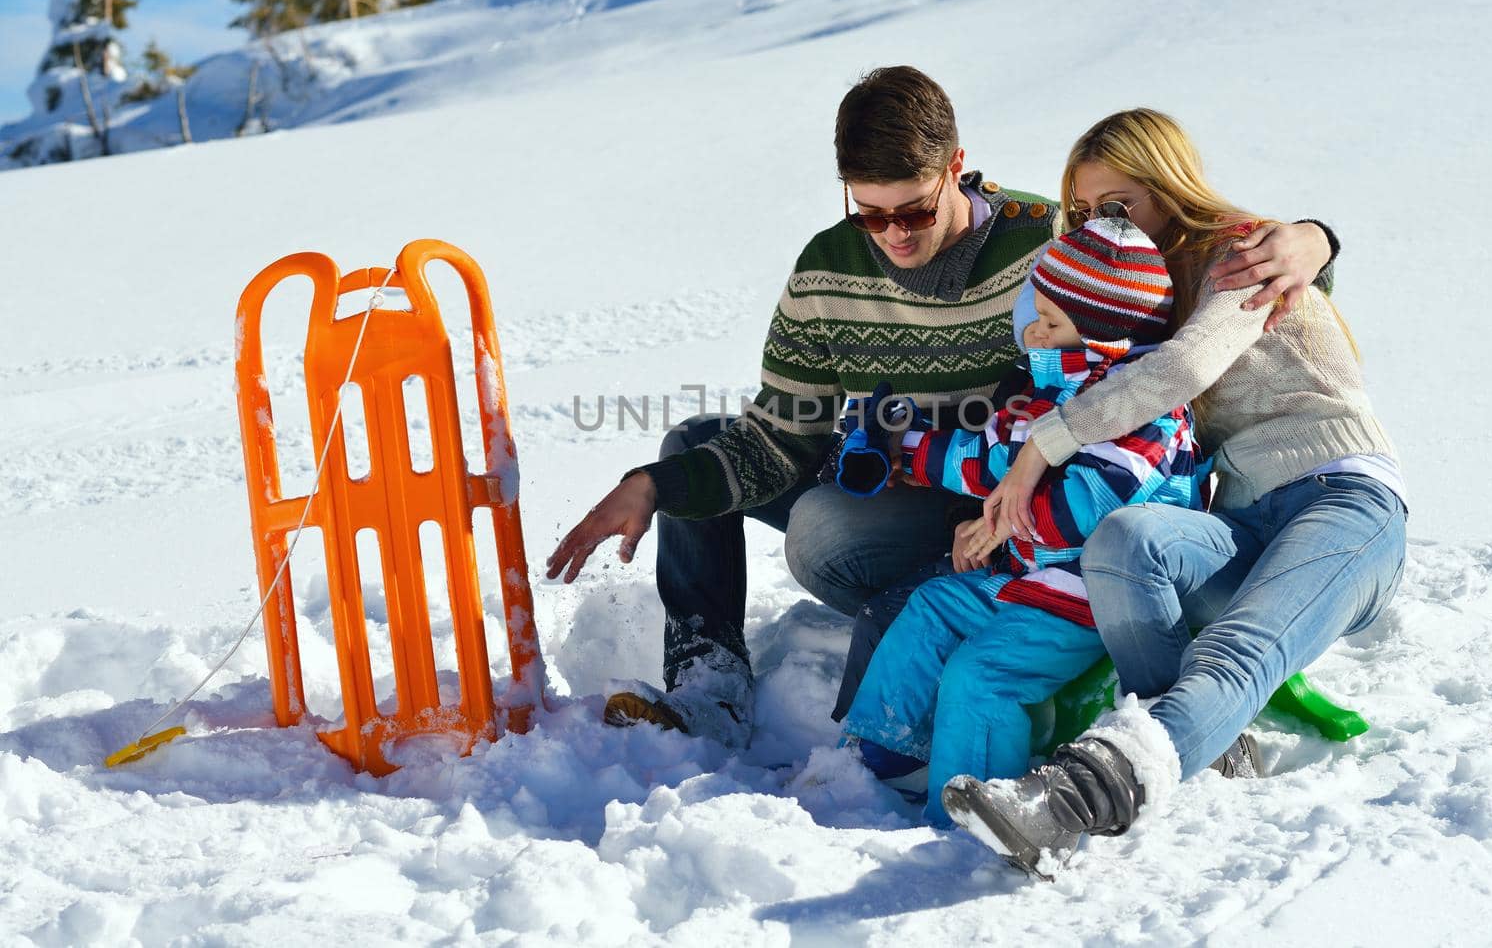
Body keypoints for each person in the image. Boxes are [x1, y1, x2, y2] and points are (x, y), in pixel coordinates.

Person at [543, 68, 1337, 747]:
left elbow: (1168, 278)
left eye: (914, 210)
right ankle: (708, 684)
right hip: (898, 458)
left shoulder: (1048, 240)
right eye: (870, 213)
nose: (892, 233)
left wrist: (1313, 243)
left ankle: (963, 621)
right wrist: (655, 483)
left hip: (1003, 493)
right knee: (691, 444)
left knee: (824, 530)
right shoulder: (828, 270)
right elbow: (782, 434)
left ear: (956, 167)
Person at [941, 108, 1407, 877]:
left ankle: (1070, 801)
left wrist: (1043, 448)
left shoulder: (1238, 255)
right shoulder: (1136, 292)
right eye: (1086, 211)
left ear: (1168, 186)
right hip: (1243, 518)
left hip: (1345, 500)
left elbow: (1183, 372)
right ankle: (1210, 748)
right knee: (1126, 539)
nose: (1102, 224)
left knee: (1235, 648)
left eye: (1120, 204)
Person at [840, 218, 1203, 826]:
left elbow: (1085, 509)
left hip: (1090, 597)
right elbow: (987, 462)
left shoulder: (1147, 415)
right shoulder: (1039, 398)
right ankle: (883, 751)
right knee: (929, 606)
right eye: (1038, 312)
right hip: (1027, 583)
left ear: (1106, 336)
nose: (1033, 329)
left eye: (1053, 322)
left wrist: (1002, 520)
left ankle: (971, 811)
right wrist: (908, 451)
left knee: (983, 675)